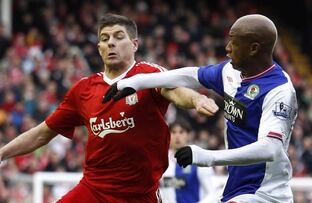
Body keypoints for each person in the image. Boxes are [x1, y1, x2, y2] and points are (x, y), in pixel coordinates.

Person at [0, 14, 219, 203]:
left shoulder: (148, 74)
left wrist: (196, 100)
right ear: (99, 48)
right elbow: (43, 132)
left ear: (134, 44)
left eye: (118, 36)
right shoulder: (83, 90)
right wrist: (1, 153)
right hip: (94, 190)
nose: (111, 42)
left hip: (140, 195)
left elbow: (175, 91)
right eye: (104, 39)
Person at [103, 14, 298, 203]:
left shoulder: (279, 90)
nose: (227, 48)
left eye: (234, 43)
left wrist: (208, 156)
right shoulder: (231, 72)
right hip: (237, 187)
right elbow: (192, 76)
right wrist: (136, 82)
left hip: (266, 193)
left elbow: (271, 148)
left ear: (254, 48)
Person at [160, 121, 217, 203]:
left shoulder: (199, 159)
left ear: (189, 135)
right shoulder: (161, 161)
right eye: (173, 132)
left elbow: (212, 193)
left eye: (181, 132)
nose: (177, 136)